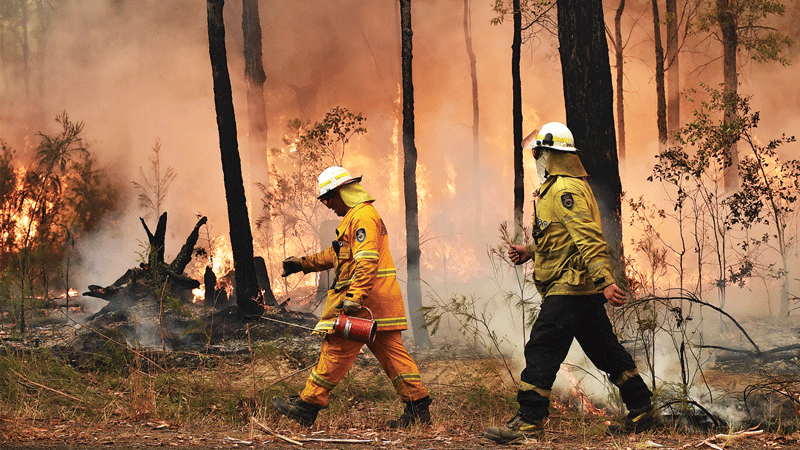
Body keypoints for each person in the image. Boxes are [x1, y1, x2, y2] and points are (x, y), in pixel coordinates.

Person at [484, 122, 661, 443]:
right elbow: (560, 238)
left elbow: (587, 236)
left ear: (549, 154)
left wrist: (606, 280)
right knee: (606, 351)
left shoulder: (564, 189)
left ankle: (528, 421)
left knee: (541, 349)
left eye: (538, 152)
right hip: (580, 289)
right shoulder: (562, 188)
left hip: (570, 288)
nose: (535, 157)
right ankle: (643, 410)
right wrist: (531, 251)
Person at [272, 166, 432, 428]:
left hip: (363, 303)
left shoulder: (363, 218)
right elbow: (336, 255)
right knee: (394, 356)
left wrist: (355, 297)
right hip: (380, 303)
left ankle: (308, 405)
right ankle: (418, 409)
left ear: (341, 192)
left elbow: (367, 261)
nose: (327, 205)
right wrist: (302, 264)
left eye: (328, 199)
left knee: (335, 348)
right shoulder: (356, 217)